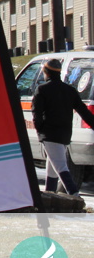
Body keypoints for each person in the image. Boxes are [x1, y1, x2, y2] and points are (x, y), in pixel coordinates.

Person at [32, 58, 94, 196]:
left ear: (46, 72)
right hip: (65, 134)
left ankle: (74, 194)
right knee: (52, 167)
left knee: (60, 166)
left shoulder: (42, 89)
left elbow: (36, 113)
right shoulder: (70, 90)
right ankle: (50, 193)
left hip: (49, 134)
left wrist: (40, 130)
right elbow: (84, 112)